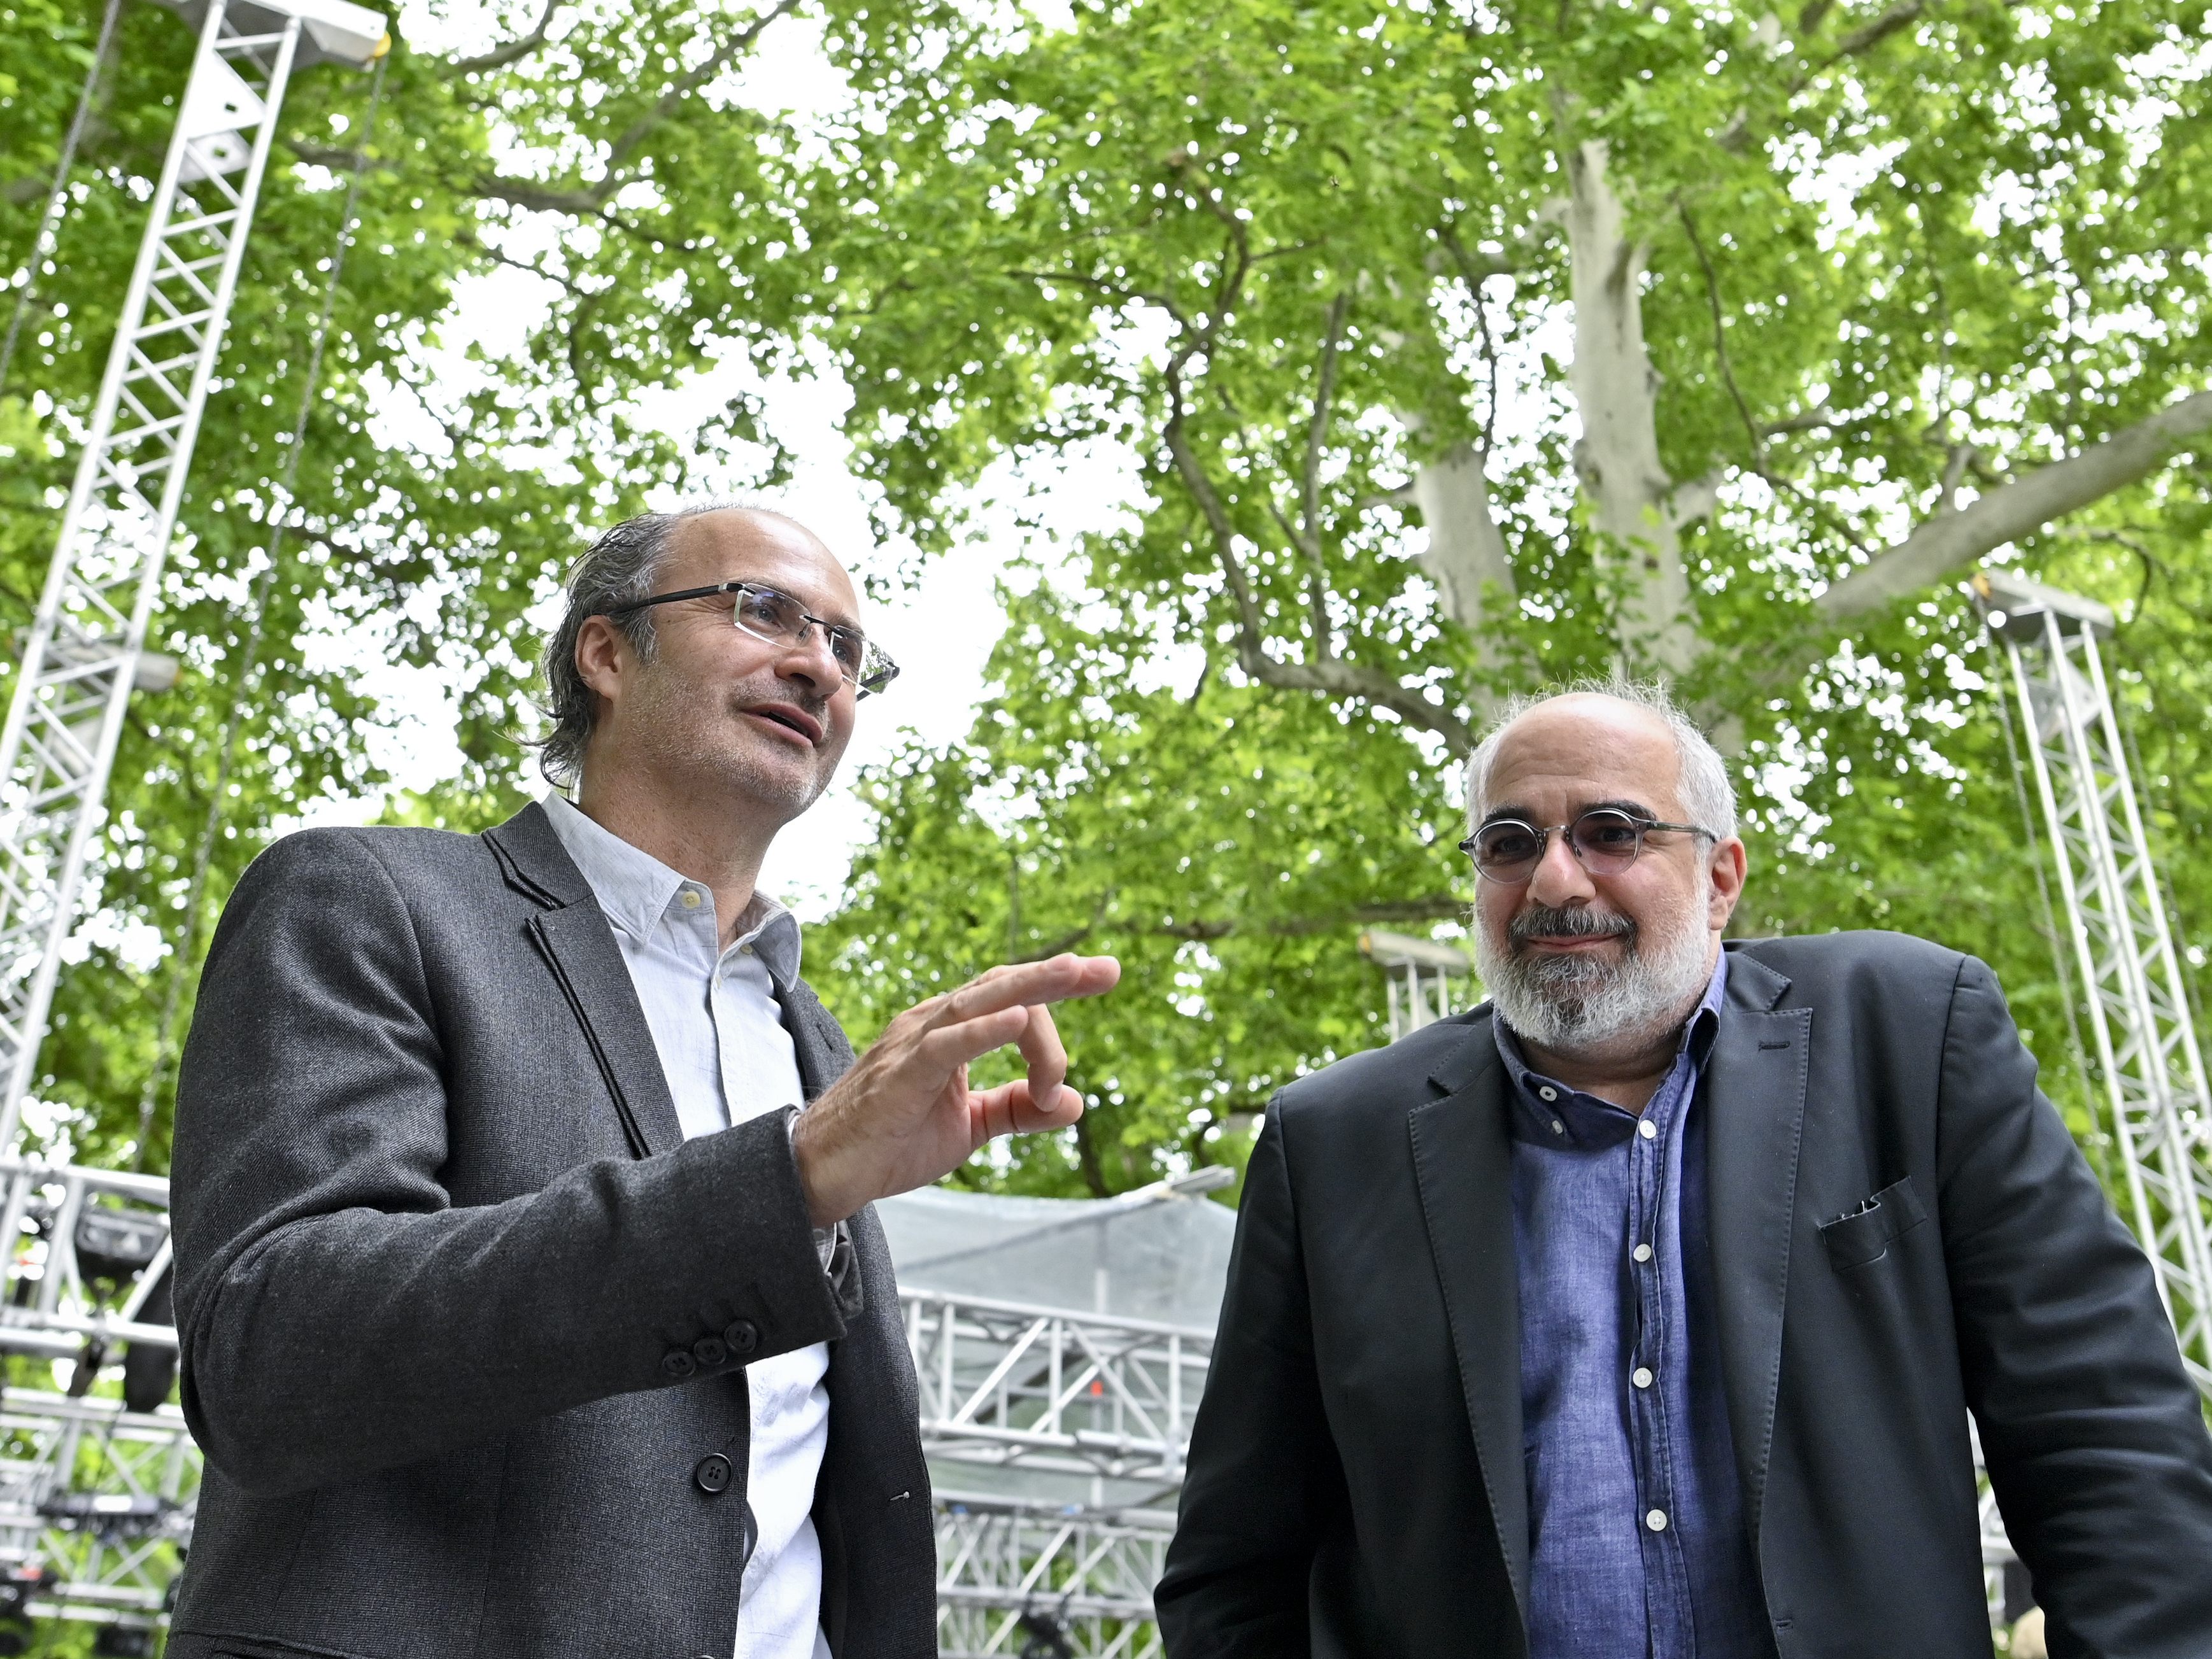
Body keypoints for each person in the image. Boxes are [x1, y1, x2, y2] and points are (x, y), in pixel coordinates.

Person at [164, 503, 1119, 1659]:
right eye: (764, 609)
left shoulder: (819, 1043)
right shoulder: (370, 900)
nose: (817, 662)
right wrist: (788, 1179)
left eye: (848, 649)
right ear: (606, 651)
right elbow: (274, 1351)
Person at [1156, 682, 2212, 1658]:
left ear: (1719, 878)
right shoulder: (1333, 1142)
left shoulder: (1906, 1034)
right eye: (1509, 842)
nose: (1555, 879)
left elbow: (2105, 1440)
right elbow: (1235, 1570)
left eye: (1610, 832)